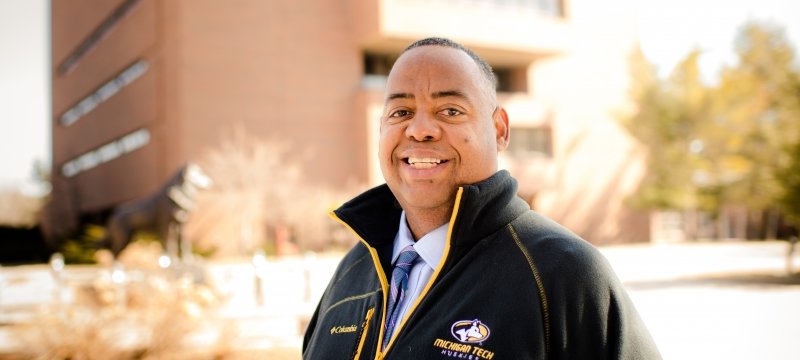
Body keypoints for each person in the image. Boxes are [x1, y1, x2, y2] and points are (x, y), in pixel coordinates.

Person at [302, 37, 661, 359]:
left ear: (500, 130)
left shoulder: (564, 273)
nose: (420, 129)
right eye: (401, 112)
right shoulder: (353, 268)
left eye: (450, 111)